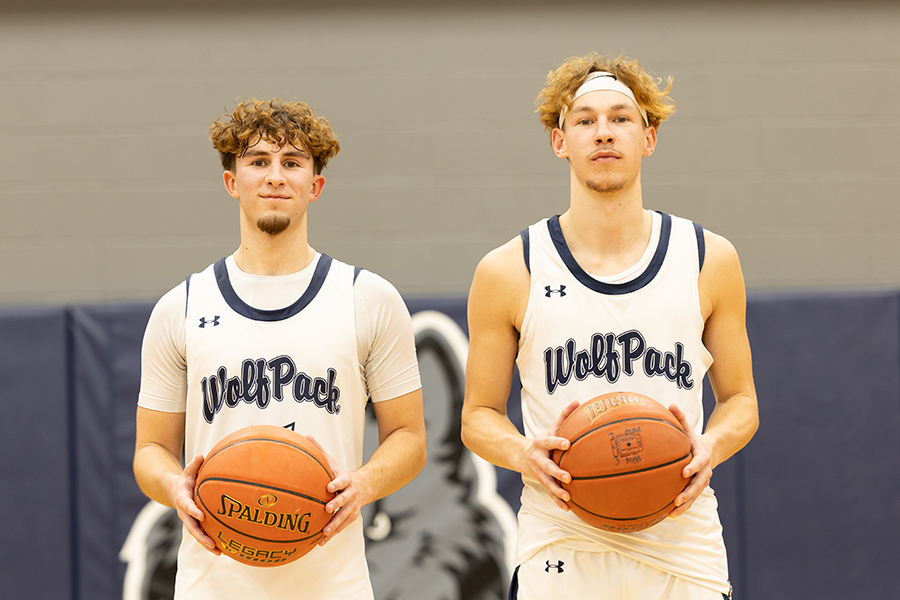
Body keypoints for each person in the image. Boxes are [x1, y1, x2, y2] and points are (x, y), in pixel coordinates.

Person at [461, 53, 759, 599]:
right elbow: (478, 416)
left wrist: (709, 446)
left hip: (681, 540)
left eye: (621, 118)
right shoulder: (509, 270)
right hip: (561, 539)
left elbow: (741, 400)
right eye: (585, 120)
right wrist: (523, 452)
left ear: (648, 137)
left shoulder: (708, 258)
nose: (604, 133)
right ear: (560, 141)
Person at [133, 98, 427, 599]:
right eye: (258, 161)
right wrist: (174, 486)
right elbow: (150, 450)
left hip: (333, 583)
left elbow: (410, 439)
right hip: (213, 583)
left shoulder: (368, 299)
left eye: (292, 163)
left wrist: (365, 483)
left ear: (315, 187)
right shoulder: (179, 307)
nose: (275, 176)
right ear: (232, 182)